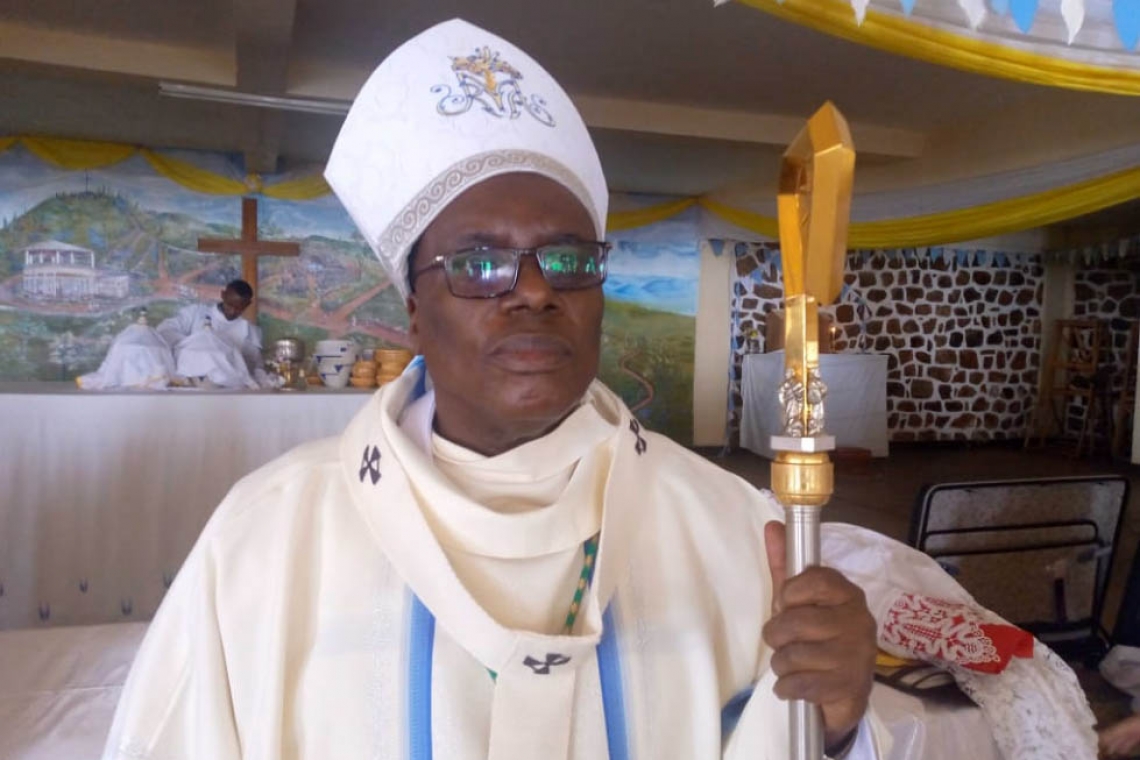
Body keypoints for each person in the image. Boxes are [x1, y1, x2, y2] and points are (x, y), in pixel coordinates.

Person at [103, 18, 881, 760]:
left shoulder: (733, 530)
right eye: (479, 265)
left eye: (568, 261)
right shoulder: (268, 538)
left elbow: (779, 731)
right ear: (413, 310)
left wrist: (834, 712)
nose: (534, 293)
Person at [156, 279, 264, 376]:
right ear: (223, 295)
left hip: (228, 389)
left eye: (239, 308)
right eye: (229, 305)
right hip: (189, 379)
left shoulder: (249, 331)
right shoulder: (196, 313)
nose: (232, 311)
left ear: (248, 304)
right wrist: (193, 343)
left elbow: (254, 366)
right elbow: (165, 330)